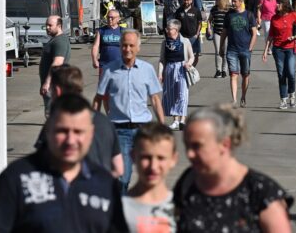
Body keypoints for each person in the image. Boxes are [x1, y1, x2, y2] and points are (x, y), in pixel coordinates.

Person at [0, 94, 127, 232]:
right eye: (62, 131)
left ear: (91, 134)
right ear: (48, 130)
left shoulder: (105, 184)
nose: (70, 141)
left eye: (78, 132)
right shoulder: (16, 178)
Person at [174, 104, 293, 232]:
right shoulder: (189, 181)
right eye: (187, 146)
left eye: (197, 146)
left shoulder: (260, 191)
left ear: (225, 144)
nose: (189, 154)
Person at [94, 29, 165, 190]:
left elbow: (155, 99)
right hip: (120, 132)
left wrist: (162, 126)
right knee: (122, 178)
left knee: (150, 176)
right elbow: (98, 99)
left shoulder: (147, 69)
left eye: (131, 45)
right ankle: (122, 212)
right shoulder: (110, 70)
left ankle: (143, 211)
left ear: (138, 47)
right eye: (124, 45)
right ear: (120, 47)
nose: (127, 49)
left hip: (144, 131)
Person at [34, 66, 124, 178]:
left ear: (57, 91)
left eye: (51, 91)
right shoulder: (105, 122)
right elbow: (119, 169)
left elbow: (39, 165)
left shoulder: (55, 123)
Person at [123, 122, 179, 232]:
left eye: (161, 158)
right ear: (133, 156)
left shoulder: (181, 209)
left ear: (173, 159)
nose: (153, 167)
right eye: (146, 157)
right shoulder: (117, 209)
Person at [262, 0, 296, 109]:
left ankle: (292, 95)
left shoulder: (293, 15)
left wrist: (294, 36)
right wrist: (266, 51)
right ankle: (283, 99)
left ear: (284, 5)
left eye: (278, 3)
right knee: (281, 74)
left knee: (291, 73)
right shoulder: (274, 18)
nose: (276, 5)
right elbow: (271, 35)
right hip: (278, 49)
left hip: (290, 48)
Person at [220, 0, 259, 108]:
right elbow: (224, 32)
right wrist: (222, 46)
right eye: (232, 1)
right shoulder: (229, 15)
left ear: (240, 2)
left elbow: (254, 33)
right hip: (232, 50)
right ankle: (234, 100)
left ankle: (243, 97)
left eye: (235, 1)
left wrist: (250, 47)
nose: (232, 3)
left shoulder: (249, 15)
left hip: (245, 50)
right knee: (233, 74)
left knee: (245, 75)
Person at [159, 19, 195, 131]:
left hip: (182, 68)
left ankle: (182, 120)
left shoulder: (185, 41)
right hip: (169, 68)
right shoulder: (165, 43)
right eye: (167, 28)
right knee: (171, 94)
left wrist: (188, 64)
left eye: (169, 29)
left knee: (182, 95)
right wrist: (160, 73)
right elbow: (162, 60)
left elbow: (191, 56)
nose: (167, 30)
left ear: (176, 30)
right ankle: (175, 120)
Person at [40, 15, 71, 117]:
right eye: (46, 25)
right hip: (53, 84)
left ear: (59, 26)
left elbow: (57, 62)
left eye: (50, 25)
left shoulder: (60, 41)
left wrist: (47, 83)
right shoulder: (56, 39)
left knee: (52, 115)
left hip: (53, 84)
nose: (47, 28)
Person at [91, 9, 122, 78]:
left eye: (112, 17)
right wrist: (94, 60)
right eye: (108, 17)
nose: (109, 19)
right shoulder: (101, 31)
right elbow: (95, 46)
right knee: (104, 87)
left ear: (118, 19)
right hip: (104, 65)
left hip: (120, 65)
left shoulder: (122, 31)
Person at [175, 0, 203, 67]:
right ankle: (186, 69)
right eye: (185, 0)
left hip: (193, 37)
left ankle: (192, 68)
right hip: (182, 37)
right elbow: (176, 23)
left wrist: (196, 35)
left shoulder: (196, 11)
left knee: (194, 56)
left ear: (191, 0)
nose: (186, 2)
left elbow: (200, 23)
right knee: (184, 55)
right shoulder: (179, 11)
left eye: (188, 0)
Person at [209, 0, 231, 78]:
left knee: (225, 52)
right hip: (217, 32)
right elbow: (210, 19)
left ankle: (224, 70)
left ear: (222, 0)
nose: (216, 1)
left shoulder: (228, 9)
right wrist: (209, 28)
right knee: (218, 51)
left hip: (226, 33)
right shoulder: (214, 9)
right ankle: (218, 70)